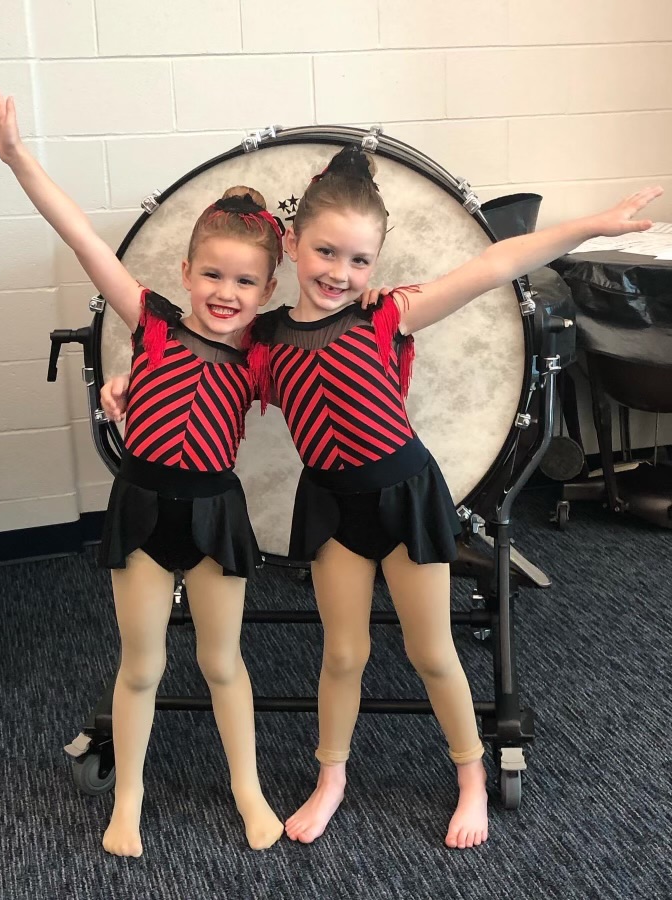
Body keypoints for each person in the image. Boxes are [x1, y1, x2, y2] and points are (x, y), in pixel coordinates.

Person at [245, 145, 662, 849]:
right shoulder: (266, 338)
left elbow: (492, 267)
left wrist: (591, 225)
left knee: (431, 649)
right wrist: (121, 388)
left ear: (376, 262)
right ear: (291, 244)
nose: (339, 274)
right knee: (342, 654)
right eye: (324, 252)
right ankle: (332, 776)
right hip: (331, 507)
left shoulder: (388, 316)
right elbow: (194, 364)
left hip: (404, 496)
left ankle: (469, 774)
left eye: (358, 260)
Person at [0, 80, 286, 856]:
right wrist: (17, 157)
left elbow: (342, 311)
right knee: (142, 667)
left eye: (245, 281)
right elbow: (81, 235)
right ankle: (131, 797)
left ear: (267, 291)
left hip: (216, 512)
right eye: (213, 275)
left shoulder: (264, 352)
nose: (226, 292)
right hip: (145, 509)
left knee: (223, 664)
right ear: (185, 271)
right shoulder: (148, 319)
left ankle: (247, 788)